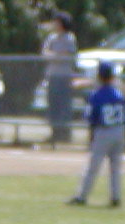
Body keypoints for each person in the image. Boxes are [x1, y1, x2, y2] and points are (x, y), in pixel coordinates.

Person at [68, 59, 125, 207]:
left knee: (93, 167)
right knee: (116, 168)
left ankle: (82, 196)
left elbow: (91, 118)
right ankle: (116, 197)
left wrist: (91, 136)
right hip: (119, 130)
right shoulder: (119, 94)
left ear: (99, 76)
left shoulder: (96, 95)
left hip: (103, 131)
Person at [41, 11, 78, 145]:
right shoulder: (51, 38)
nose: (54, 24)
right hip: (52, 75)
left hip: (64, 76)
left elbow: (66, 55)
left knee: (64, 105)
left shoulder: (70, 38)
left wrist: (54, 55)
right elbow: (45, 53)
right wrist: (56, 55)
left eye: (57, 22)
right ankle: (54, 133)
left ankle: (64, 134)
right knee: (53, 105)